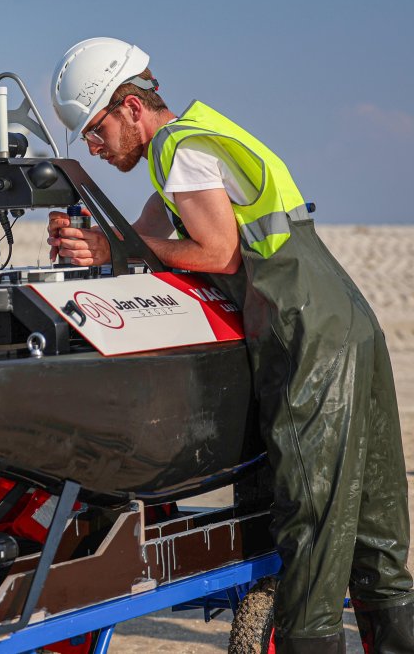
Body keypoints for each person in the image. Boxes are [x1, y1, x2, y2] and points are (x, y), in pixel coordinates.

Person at [47, 37, 414, 653]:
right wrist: (93, 242)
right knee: (376, 526)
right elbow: (137, 239)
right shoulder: (194, 138)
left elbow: (216, 252)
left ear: (133, 107)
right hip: (346, 318)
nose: (95, 145)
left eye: (96, 128)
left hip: (304, 333)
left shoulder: (178, 149)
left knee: (311, 519)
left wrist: (118, 251)